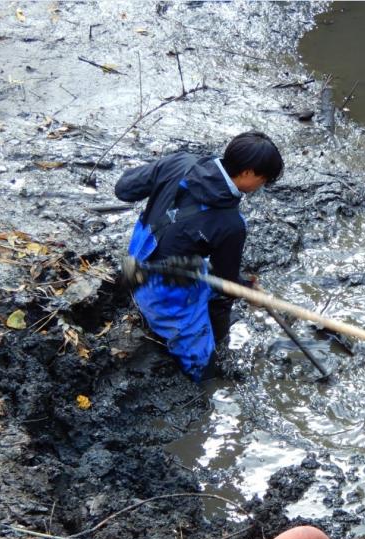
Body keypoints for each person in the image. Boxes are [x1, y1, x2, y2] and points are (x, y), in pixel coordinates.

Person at [116, 131, 283, 381]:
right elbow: (227, 283)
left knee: (213, 287)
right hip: (162, 293)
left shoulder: (181, 161)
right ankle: (201, 373)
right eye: (263, 179)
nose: (262, 185)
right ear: (248, 172)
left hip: (132, 266)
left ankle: (213, 327)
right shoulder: (230, 224)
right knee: (204, 368)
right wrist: (251, 292)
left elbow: (124, 189)